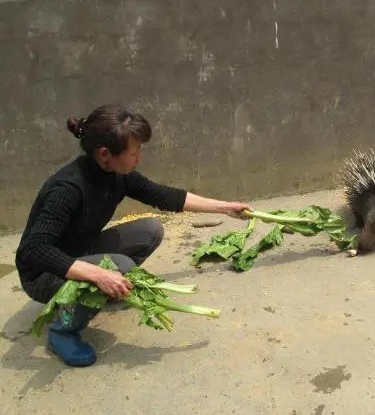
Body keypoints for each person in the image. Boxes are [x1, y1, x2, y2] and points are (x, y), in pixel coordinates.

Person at [15, 104, 253, 367]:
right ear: (105, 153)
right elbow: (33, 249)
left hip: (77, 250)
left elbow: (165, 196)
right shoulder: (67, 188)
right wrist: (97, 273)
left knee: (149, 231)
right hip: (42, 274)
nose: (139, 156)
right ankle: (64, 330)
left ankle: (99, 293)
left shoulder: (115, 173)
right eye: (135, 150)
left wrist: (227, 207)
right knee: (121, 267)